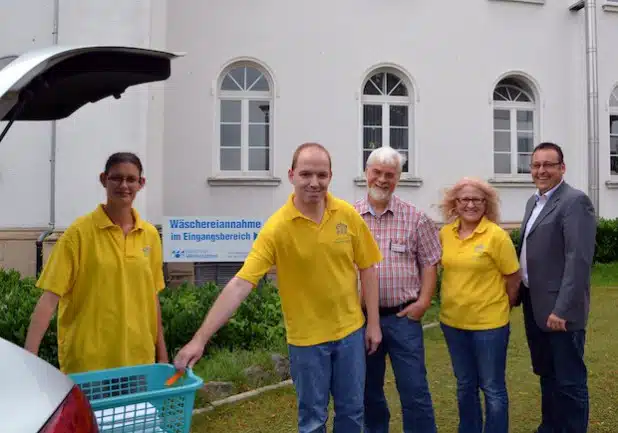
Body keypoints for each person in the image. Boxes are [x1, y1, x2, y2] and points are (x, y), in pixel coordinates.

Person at [174, 142, 383, 433]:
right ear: (291, 175)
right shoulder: (277, 228)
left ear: (331, 176)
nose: (314, 182)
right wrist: (200, 339)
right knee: (312, 420)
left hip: (350, 334)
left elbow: (368, 268)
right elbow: (240, 284)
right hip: (306, 342)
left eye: (322, 175)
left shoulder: (347, 215)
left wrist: (372, 323)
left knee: (352, 413)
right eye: (306, 174)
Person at [24, 152, 168, 374]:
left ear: (141, 184)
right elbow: (49, 299)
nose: (124, 185)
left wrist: (162, 355)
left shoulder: (149, 235)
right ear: (103, 179)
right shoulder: (78, 233)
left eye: (131, 179)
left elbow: (152, 298)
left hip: (140, 362)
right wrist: (28, 360)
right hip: (88, 365)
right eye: (116, 178)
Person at [354, 147, 441, 433]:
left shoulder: (416, 218)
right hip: (363, 319)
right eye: (376, 173)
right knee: (368, 389)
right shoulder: (349, 218)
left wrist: (424, 302)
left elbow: (430, 262)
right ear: (366, 174)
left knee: (414, 388)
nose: (382, 179)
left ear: (398, 178)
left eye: (389, 175)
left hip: (404, 317)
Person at [516, 142, 596, 433]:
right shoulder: (533, 202)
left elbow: (579, 260)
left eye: (548, 165)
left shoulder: (575, 201)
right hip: (534, 304)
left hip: (560, 311)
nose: (541, 170)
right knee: (547, 374)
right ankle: (550, 428)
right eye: (536, 165)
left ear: (562, 168)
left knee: (570, 379)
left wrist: (562, 309)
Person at [438, 177, 521, 433]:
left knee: (492, 387)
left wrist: (501, 306)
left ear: (486, 204)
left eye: (477, 199)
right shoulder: (445, 234)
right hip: (453, 323)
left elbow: (513, 278)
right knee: (465, 385)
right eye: (465, 199)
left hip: (489, 326)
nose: (471, 204)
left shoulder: (496, 236)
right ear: (455, 204)